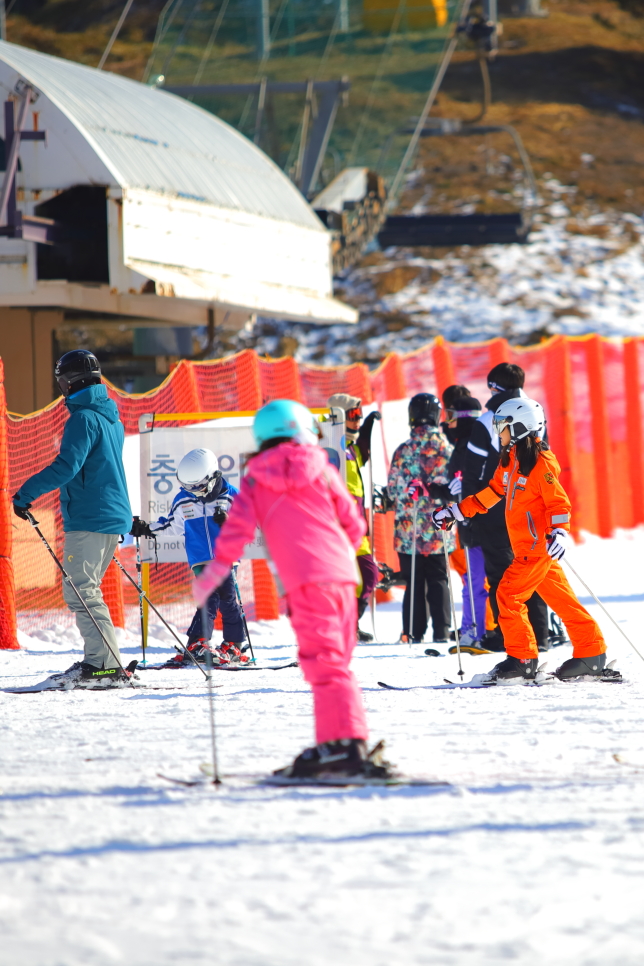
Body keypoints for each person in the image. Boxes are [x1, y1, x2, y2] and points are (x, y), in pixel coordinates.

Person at [193, 399, 392, 781]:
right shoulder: (324, 468)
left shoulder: (254, 477)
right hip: (343, 576)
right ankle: (339, 741)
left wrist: (213, 574)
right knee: (336, 662)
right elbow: (354, 524)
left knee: (324, 663)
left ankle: (345, 746)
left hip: (305, 580)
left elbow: (235, 532)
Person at [433, 397, 608, 681]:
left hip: (537, 547)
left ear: (519, 427)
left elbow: (558, 504)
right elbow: (491, 492)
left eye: (502, 426)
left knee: (508, 596)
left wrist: (561, 532)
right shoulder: (512, 461)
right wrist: (457, 510)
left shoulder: (541, 463)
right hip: (528, 548)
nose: (499, 432)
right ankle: (591, 653)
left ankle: (522, 659)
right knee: (563, 601)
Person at [12, 350, 134, 689]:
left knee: (81, 591)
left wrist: (25, 494)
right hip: (108, 516)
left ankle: (102, 665)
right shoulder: (110, 417)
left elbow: (68, 466)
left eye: (61, 380)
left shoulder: (83, 419)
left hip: (91, 517)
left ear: (70, 381)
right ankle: (104, 662)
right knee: (85, 590)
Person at [462, 363, 549, 652]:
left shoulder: (488, 420)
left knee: (502, 575)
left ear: (494, 388)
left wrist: (467, 513)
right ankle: (540, 635)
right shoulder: (534, 411)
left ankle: (509, 637)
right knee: (531, 573)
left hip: (494, 508)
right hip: (529, 508)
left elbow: (473, 471)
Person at [133, 448, 248, 666]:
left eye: (198, 486)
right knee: (210, 595)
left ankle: (234, 643)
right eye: (188, 487)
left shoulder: (231, 496)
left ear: (213, 477)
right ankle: (198, 641)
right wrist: (146, 529)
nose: (193, 492)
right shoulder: (184, 499)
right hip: (201, 557)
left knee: (228, 599)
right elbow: (171, 526)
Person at [387, 392, 454, 644]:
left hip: (409, 527)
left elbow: (393, 491)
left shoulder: (403, 450)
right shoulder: (447, 449)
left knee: (413, 580)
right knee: (438, 578)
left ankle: (413, 631)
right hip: (440, 525)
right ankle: (442, 631)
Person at [432, 392, 489, 647]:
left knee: (477, 581)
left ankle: (481, 631)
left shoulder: (473, 447)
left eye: (452, 416)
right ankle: (472, 628)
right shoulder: (461, 445)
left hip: (479, 524)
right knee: (470, 580)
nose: (448, 422)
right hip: (466, 523)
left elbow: (479, 485)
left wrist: (460, 490)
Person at [327, 393, 381, 643]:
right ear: (338, 416)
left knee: (368, 575)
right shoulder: (328, 447)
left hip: (358, 524)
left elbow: (362, 455)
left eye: (359, 415)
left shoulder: (348, 447)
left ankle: (350, 624)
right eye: (353, 416)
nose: (358, 421)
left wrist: (368, 426)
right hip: (339, 524)